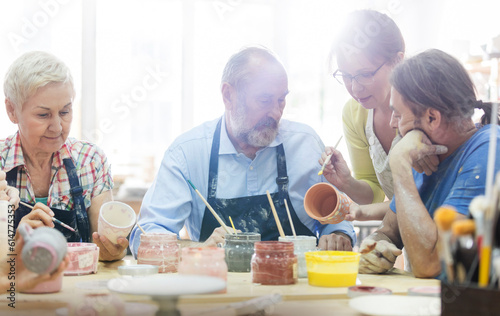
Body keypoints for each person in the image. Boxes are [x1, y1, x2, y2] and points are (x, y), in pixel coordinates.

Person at [130, 46, 356, 255]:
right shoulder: (188, 153)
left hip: (296, 290)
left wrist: (338, 234)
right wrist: (197, 251)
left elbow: (336, 216)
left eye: (281, 100)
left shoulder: (304, 144)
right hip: (218, 290)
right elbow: (145, 234)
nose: (276, 113)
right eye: (264, 100)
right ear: (228, 95)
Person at [358, 49, 500, 278]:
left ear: (432, 118)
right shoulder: (421, 150)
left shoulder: (490, 149)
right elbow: (389, 231)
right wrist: (375, 245)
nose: (393, 123)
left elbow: (430, 265)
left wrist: (399, 163)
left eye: (397, 113)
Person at [1, 51, 124, 261]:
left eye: (65, 112)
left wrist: (112, 252)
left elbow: (105, 247)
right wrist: (11, 242)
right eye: (43, 115)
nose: (57, 127)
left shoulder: (90, 161)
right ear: (12, 110)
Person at [320, 10, 405, 219]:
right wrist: (347, 183)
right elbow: (375, 193)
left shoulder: (425, 108)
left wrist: (365, 214)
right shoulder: (355, 112)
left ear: (397, 61)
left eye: (365, 74)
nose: (355, 88)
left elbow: (431, 197)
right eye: (346, 76)